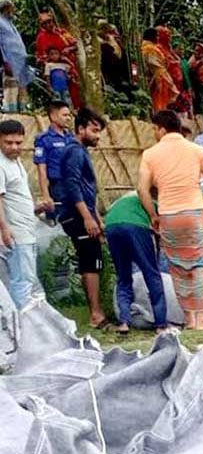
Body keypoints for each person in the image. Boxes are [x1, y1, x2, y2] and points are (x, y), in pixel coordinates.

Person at [137, 109, 203, 331]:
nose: (154, 134)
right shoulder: (197, 150)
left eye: (155, 129)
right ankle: (201, 318)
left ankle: (189, 318)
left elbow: (142, 190)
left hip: (168, 215)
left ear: (162, 129)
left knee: (178, 269)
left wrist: (153, 215)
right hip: (193, 214)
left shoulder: (150, 154)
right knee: (199, 265)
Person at [57, 106, 107, 327]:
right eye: (94, 131)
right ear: (80, 129)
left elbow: (87, 191)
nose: (97, 136)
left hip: (84, 212)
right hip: (76, 215)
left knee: (92, 260)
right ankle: (96, 315)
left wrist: (96, 216)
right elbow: (72, 185)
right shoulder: (75, 151)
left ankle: (97, 312)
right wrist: (87, 218)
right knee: (90, 261)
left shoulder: (79, 151)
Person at [104, 191, 168, 334]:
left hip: (111, 225)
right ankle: (161, 325)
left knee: (123, 276)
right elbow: (160, 231)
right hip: (135, 225)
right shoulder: (154, 202)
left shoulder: (126, 197)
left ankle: (124, 322)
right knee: (152, 275)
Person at [0, 119, 41, 308]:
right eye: (8, 143)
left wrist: (37, 207)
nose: (14, 147)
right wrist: (5, 230)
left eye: (18, 143)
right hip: (16, 235)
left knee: (28, 281)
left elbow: (18, 196)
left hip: (27, 232)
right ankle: (23, 331)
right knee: (22, 284)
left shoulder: (16, 163)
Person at [33, 101, 72, 217]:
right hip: (58, 186)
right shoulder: (44, 140)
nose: (68, 118)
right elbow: (42, 169)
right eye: (64, 115)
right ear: (53, 116)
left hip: (74, 183)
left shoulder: (71, 138)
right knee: (61, 219)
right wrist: (46, 195)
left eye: (69, 115)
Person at [34, 11, 80, 107]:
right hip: (53, 71)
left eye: (49, 22)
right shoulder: (40, 37)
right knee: (58, 96)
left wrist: (68, 50)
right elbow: (39, 56)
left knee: (74, 92)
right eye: (45, 23)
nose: (48, 25)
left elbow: (76, 45)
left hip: (69, 67)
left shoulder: (62, 33)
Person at [0, 0, 34, 113]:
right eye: (12, 8)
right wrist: (5, 62)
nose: (14, 10)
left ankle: (23, 113)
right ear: (7, 8)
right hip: (10, 63)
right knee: (11, 90)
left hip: (21, 63)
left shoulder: (12, 24)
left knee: (22, 90)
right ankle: (11, 116)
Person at [141, 28, 177, 113]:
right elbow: (157, 67)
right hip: (157, 81)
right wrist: (170, 83)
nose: (158, 38)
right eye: (157, 36)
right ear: (152, 37)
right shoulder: (150, 49)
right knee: (158, 106)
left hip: (155, 80)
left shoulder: (147, 47)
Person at [97, 20, 133, 95]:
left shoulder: (111, 39)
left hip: (118, 69)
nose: (106, 31)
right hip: (107, 71)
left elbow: (119, 54)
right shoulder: (98, 42)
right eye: (104, 29)